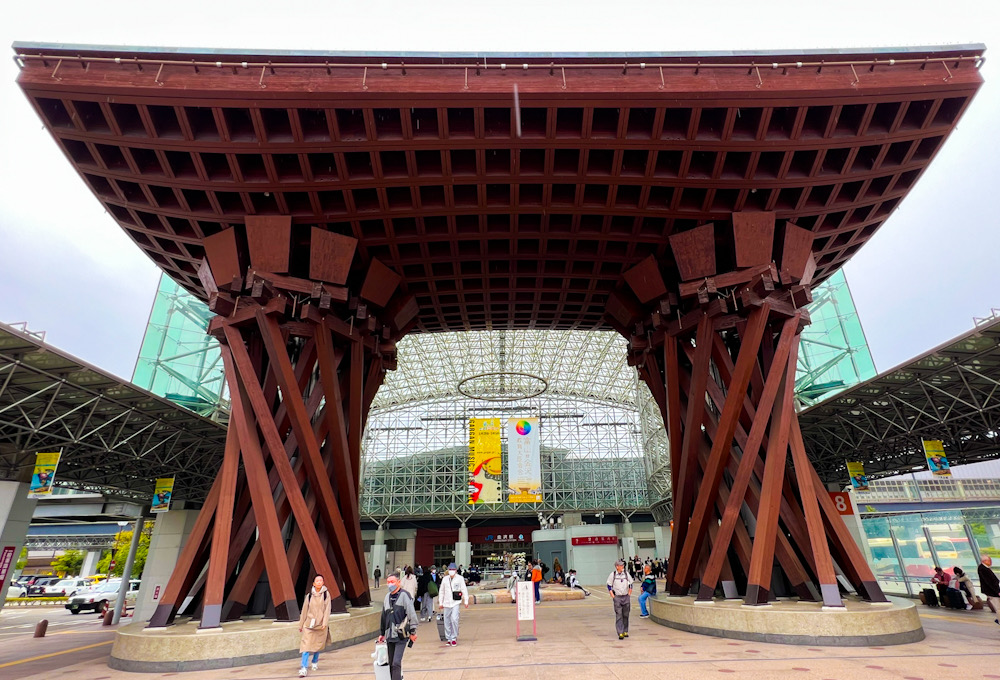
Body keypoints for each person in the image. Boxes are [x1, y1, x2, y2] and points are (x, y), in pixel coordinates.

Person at [377, 574, 418, 680]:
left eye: (392, 582)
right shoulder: (387, 597)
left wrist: (413, 632)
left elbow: (411, 614)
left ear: (398, 582)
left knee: (396, 662)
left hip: (401, 635)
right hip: (389, 635)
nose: (390, 584)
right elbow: (383, 616)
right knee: (391, 664)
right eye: (388, 582)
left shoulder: (405, 595)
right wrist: (382, 633)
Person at [297, 575, 332, 677]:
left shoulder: (326, 594)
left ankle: (315, 661)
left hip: (320, 625)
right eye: (317, 580)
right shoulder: (309, 596)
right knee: (306, 646)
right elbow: (304, 610)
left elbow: (327, 609)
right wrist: (301, 624)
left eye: (321, 580)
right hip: (309, 625)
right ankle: (303, 667)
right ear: (313, 583)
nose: (319, 582)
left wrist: (324, 623)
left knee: (317, 645)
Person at [438, 562, 469, 646]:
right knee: (447, 620)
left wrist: (466, 601)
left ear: (455, 570)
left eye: (453, 569)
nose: (451, 571)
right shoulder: (445, 579)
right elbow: (441, 591)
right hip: (446, 603)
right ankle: (448, 638)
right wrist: (440, 602)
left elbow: (464, 590)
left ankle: (454, 637)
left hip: (455, 602)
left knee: (454, 619)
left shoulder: (460, 578)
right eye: (450, 569)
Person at [607, 559, 633, 640]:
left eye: (623, 565)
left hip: (626, 596)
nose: (622, 567)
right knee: (619, 615)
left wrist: (629, 594)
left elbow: (631, 583)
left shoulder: (626, 574)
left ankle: (625, 630)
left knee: (626, 614)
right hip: (617, 597)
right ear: (617, 566)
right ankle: (620, 632)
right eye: (621, 565)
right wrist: (613, 596)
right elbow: (609, 585)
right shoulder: (613, 575)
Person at [978, 555, 1000, 624]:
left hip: (993, 591)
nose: (991, 562)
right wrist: (997, 591)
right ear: (984, 561)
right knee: (998, 607)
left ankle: (998, 619)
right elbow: (988, 582)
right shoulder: (982, 569)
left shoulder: (985, 568)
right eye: (989, 560)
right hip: (992, 592)